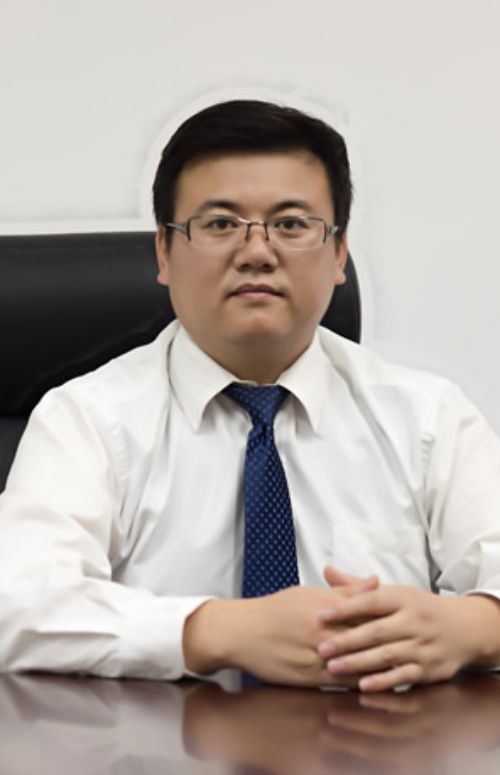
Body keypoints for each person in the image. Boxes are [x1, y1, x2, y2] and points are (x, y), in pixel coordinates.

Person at [1, 100, 500, 692]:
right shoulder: (87, 420)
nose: (257, 252)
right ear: (164, 252)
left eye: (291, 225)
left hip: (383, 736)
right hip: (159, 739)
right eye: (220, 225)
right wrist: (216, 631)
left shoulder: (428, 418)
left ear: (339, 253)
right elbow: (17, 603)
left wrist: (473, 627)